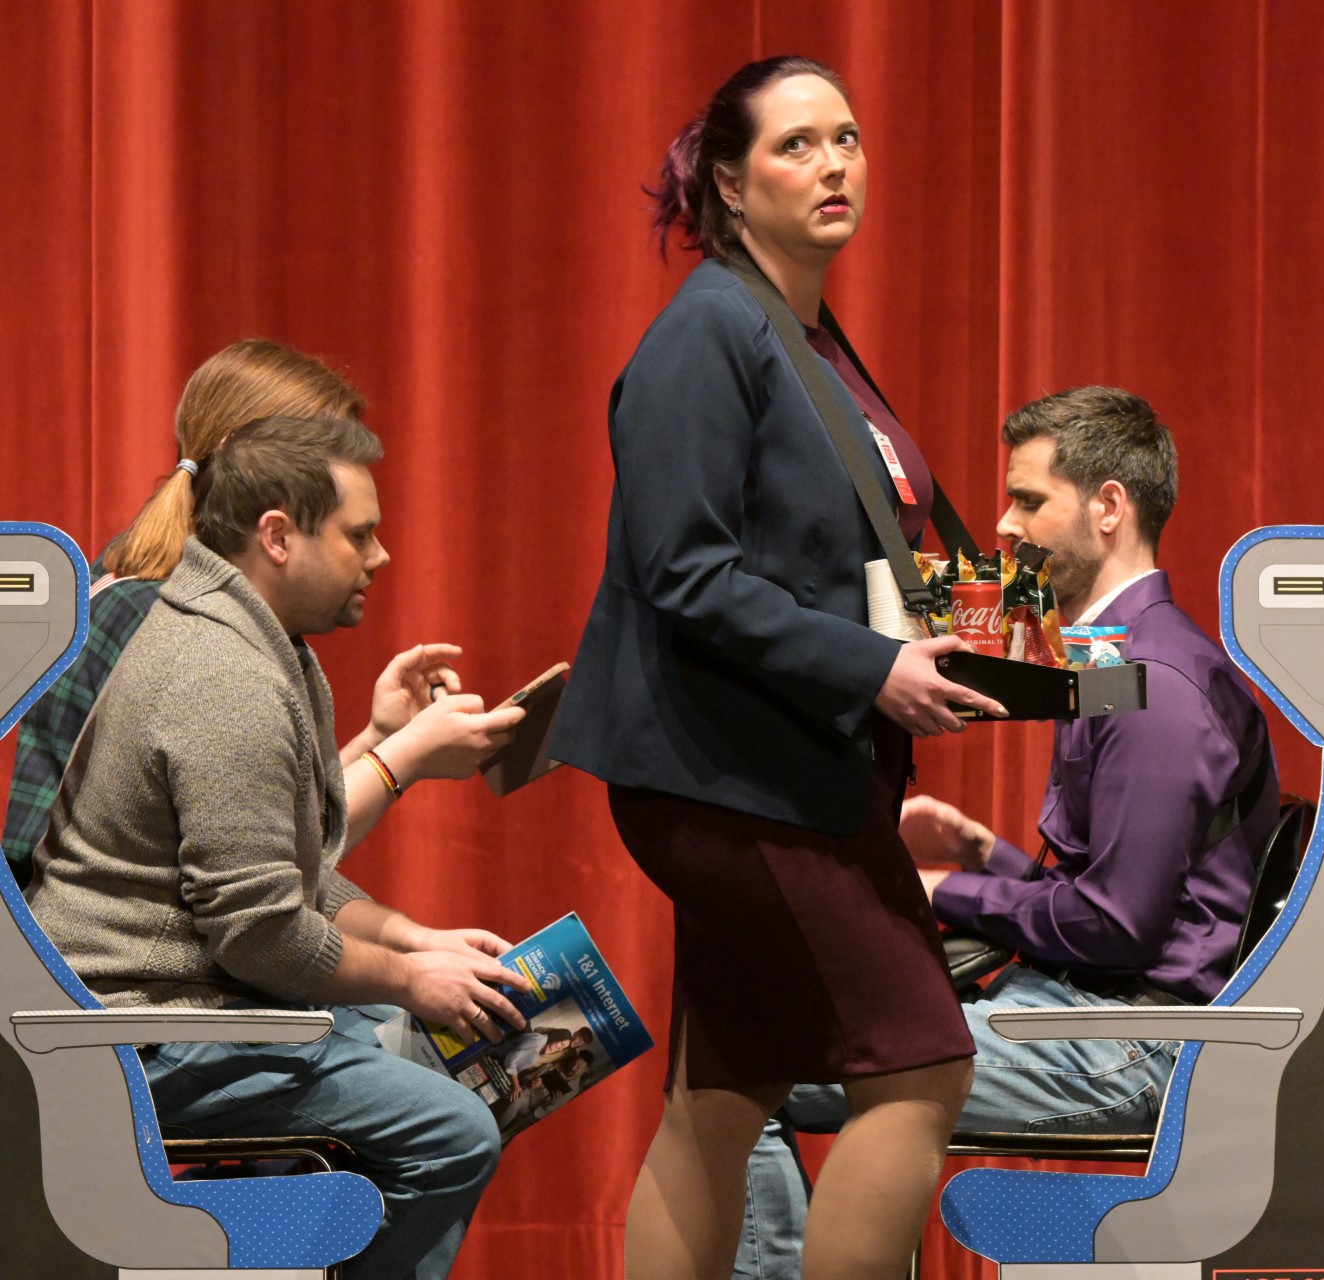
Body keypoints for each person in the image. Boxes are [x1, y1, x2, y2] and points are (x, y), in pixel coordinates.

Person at [548, 55, 1005, 1280]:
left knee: (723, 1090)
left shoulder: (802, 336)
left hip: (784, 769)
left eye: (846, 137)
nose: (834, 162)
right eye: (796, 145)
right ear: (729, 185)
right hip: (734, 780)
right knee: (922, 1064)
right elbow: (685, 571)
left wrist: (977, 641)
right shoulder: (708, 329)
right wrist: (872, 668)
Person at [736, 386, 1278, 1280]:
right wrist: (988, 857)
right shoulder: (1117, 657)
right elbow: (1129, 896)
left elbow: (1118, 928)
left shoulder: (1153, 685)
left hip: (1136, 1046)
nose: (1003, 524)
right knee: (764, 1034)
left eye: (1028, 500)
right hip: (1100, 1014)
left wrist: (946, 891)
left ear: (1109, 507)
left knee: (751, 1065)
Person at [28, 414, 531, 1280]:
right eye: (359, 535)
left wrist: (418, 945)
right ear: (278, 536)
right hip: (138, 1034)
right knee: (451, 1131)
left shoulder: (247, 637)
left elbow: (283, 869)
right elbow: (262, 933)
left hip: (189, 1001)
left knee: (442, 1043)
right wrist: (412, 979)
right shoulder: (225, 677)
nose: (381, 557)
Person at [1, 339, 464, 886]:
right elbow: (246, 879)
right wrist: (402, 759)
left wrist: (379, 738)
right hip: (63, 938)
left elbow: (258, 829)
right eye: (325, 454)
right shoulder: (167, 621)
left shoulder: (213, 605)